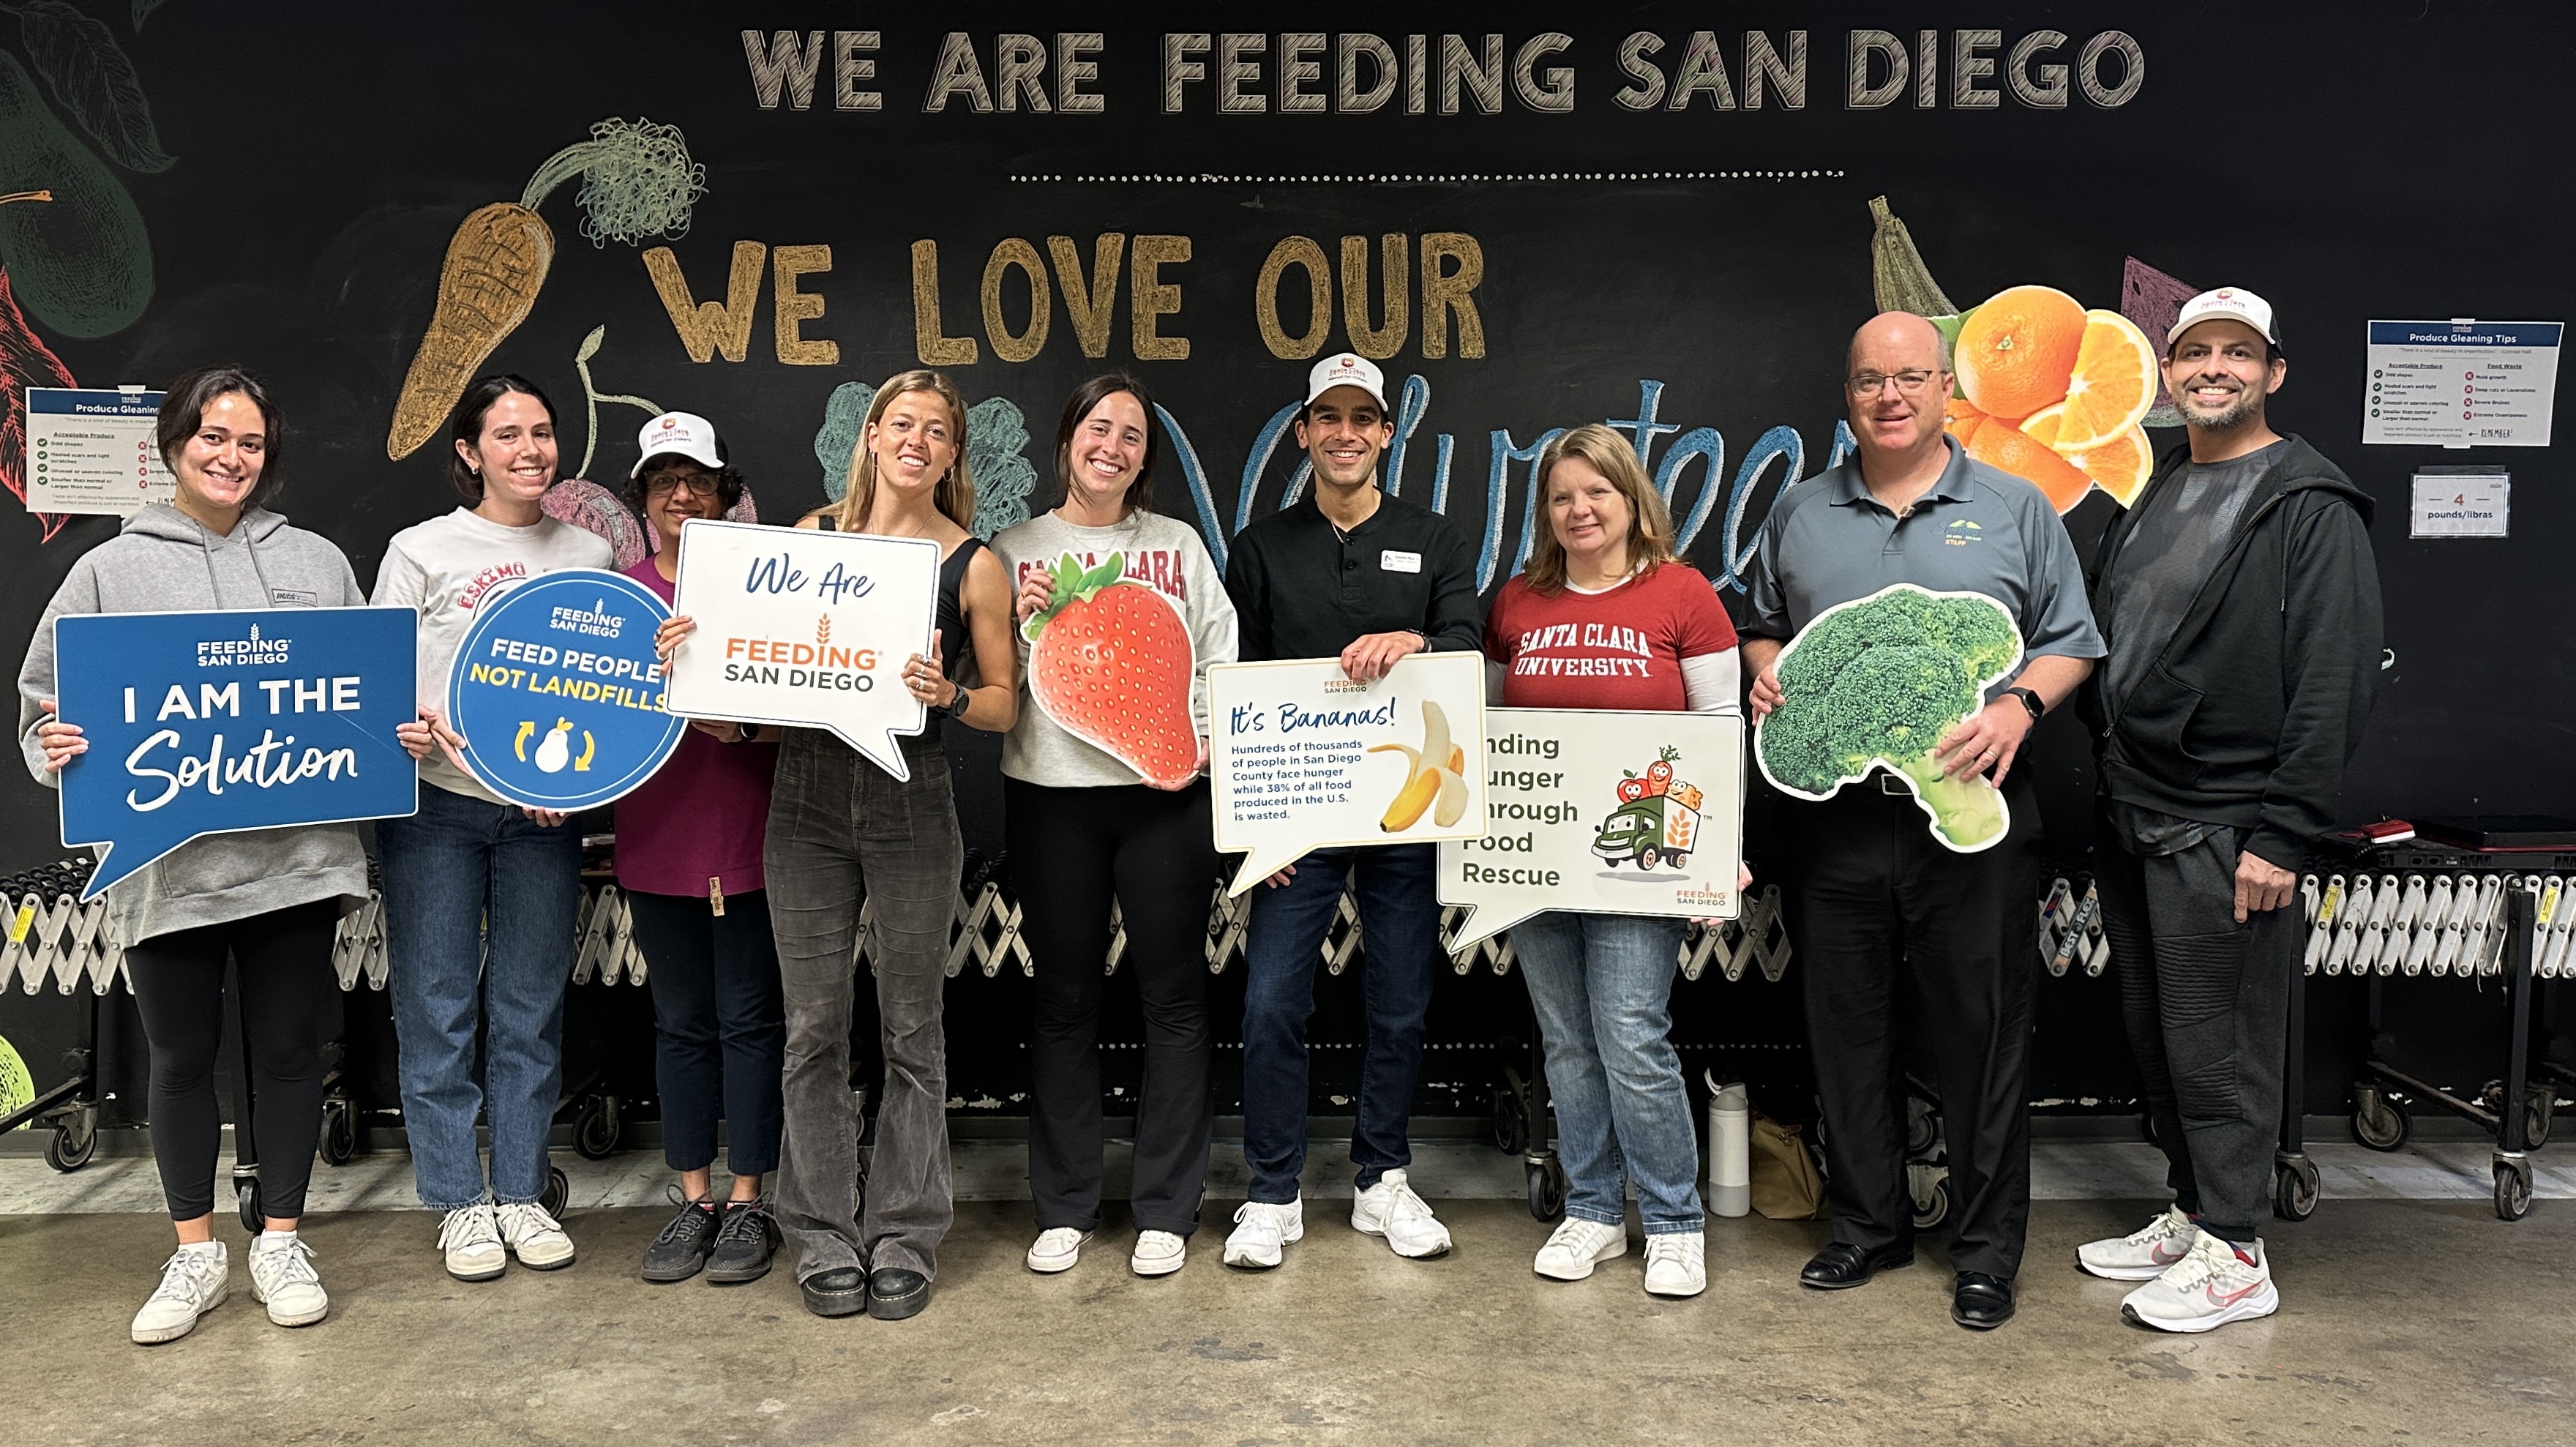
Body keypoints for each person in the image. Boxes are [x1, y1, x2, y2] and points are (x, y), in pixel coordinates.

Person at [1741, 313, 2104, 1331]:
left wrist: (2018, 708)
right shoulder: (1801, 511)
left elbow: (2071, 640)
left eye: (1909, 378)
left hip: (1973, 816)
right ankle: (1867, 1224)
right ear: (1847, 395)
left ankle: (1987, 1252)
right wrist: (1769, 673)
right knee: (1845, 1028)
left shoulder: (2016, 507)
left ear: (1948, 387)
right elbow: (1758, 620)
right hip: (1838, 825)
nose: (1889, 397)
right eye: (1868, 381)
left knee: (1982, 1039)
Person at [18, 367, 362, 1343]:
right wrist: (47, 748)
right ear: (176, 443)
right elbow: (45, 704)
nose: (230, 457)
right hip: (167, 868)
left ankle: (282, 1242)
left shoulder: (320, 564)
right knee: (179, 1059)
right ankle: (194, 1254)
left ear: (270, 455)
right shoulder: (106, 574)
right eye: (214, 436)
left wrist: (396, 735)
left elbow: (364, 695)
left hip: (297, 859)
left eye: (250, 443)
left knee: (293, 1050)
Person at [2075, 288, 2383, 1333]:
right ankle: (2195, 1209)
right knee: (2159, 1034)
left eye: (2237, 354)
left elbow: (2334, 679)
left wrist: (2283, 836)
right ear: (2169, 374)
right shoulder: (2157, 486)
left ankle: (2240, 1254)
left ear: (2274, 373)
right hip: (2140, 810)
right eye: (2194, 352)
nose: (2214, 368)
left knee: (2224, 1047)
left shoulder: (2310, 505)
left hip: (2230, 827)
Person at [757, 369, 1016, 1320]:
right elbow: (760, 676)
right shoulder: (804, 542)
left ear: (952, 453)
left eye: (936, 429)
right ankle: (822, 1232)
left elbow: (1003, 701)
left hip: (916, 797)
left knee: (913, 1029)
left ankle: (906, 1230)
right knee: (813, 1028)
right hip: (807, 799)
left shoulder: (972, 564)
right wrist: (699, 658)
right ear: (869, 436)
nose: (917, 439)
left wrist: (947, 693)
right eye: (900, 422)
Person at [1218, 354, 1482, 1271]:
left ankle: (1381, 1180)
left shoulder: (1437, 540)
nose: (1343, 432)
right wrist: (1252, 823)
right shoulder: (1258, 548)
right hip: (1297, 817)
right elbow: (1233, 686)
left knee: (1402, 1005)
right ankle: (1270, 1191)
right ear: (1303, 434)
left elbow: (1466, 643)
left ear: (1384, 433)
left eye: (1360, 418)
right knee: (1270, 1005)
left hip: (1409, 808)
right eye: (1325, 417)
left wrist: (1414, 638)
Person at [1482, 424, 1745, 1299]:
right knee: (1566, 1042)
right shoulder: (1516, 600)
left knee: (1631, 1032)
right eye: (1561, 496)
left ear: (1633, 501)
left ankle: (1672, 1222)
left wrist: (1721, 852)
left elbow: (1716, 734)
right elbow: (1488, 732)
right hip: (1535, 859)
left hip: (1644, 857)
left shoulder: (1684, 594)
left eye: (1596, 492)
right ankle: (1592, 1210)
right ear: (1543, 510)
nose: (1578, 509)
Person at [992, 375, 1239, 1279]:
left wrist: (1207, 737)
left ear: (1145, 457)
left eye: (1133, 436)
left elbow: (1220, 648)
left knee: (1175, 997)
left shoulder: (1174, 545)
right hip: (1051, 798)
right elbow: (991, 689)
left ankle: (1167, 1209)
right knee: (1063, 1002)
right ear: (1067, 440)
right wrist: (1019, 636)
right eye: (1100, 428)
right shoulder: (1013, 550)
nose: (1114, 447)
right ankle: (1063, 1206)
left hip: (1167, 799)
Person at [374, 375, 609, 1282]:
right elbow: (374, 673)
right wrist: (412, 722)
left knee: (528, 1008)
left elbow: (607, 689)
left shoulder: (589, 555)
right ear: (470, 452)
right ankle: (455, 1201)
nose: (529, 450)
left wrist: (581, 777)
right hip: (437, 805)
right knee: (435, 1006)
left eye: (543, 433)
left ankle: (517, 1187)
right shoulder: (421, 549)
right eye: (507, 435)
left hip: (541, 815)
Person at [613, 413, 787, 1287]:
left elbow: (795, 720)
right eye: (662, 480)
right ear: (641, 498)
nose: (681, 494)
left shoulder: (765, 589)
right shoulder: (617, 597)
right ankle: (694, 1201)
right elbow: (589, 721)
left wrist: (718, 685)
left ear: (726, 492)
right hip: (656, 839)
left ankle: (750, 1200)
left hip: (754, 838)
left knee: (752, 1023)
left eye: (698, 479)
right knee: (680, 1025)